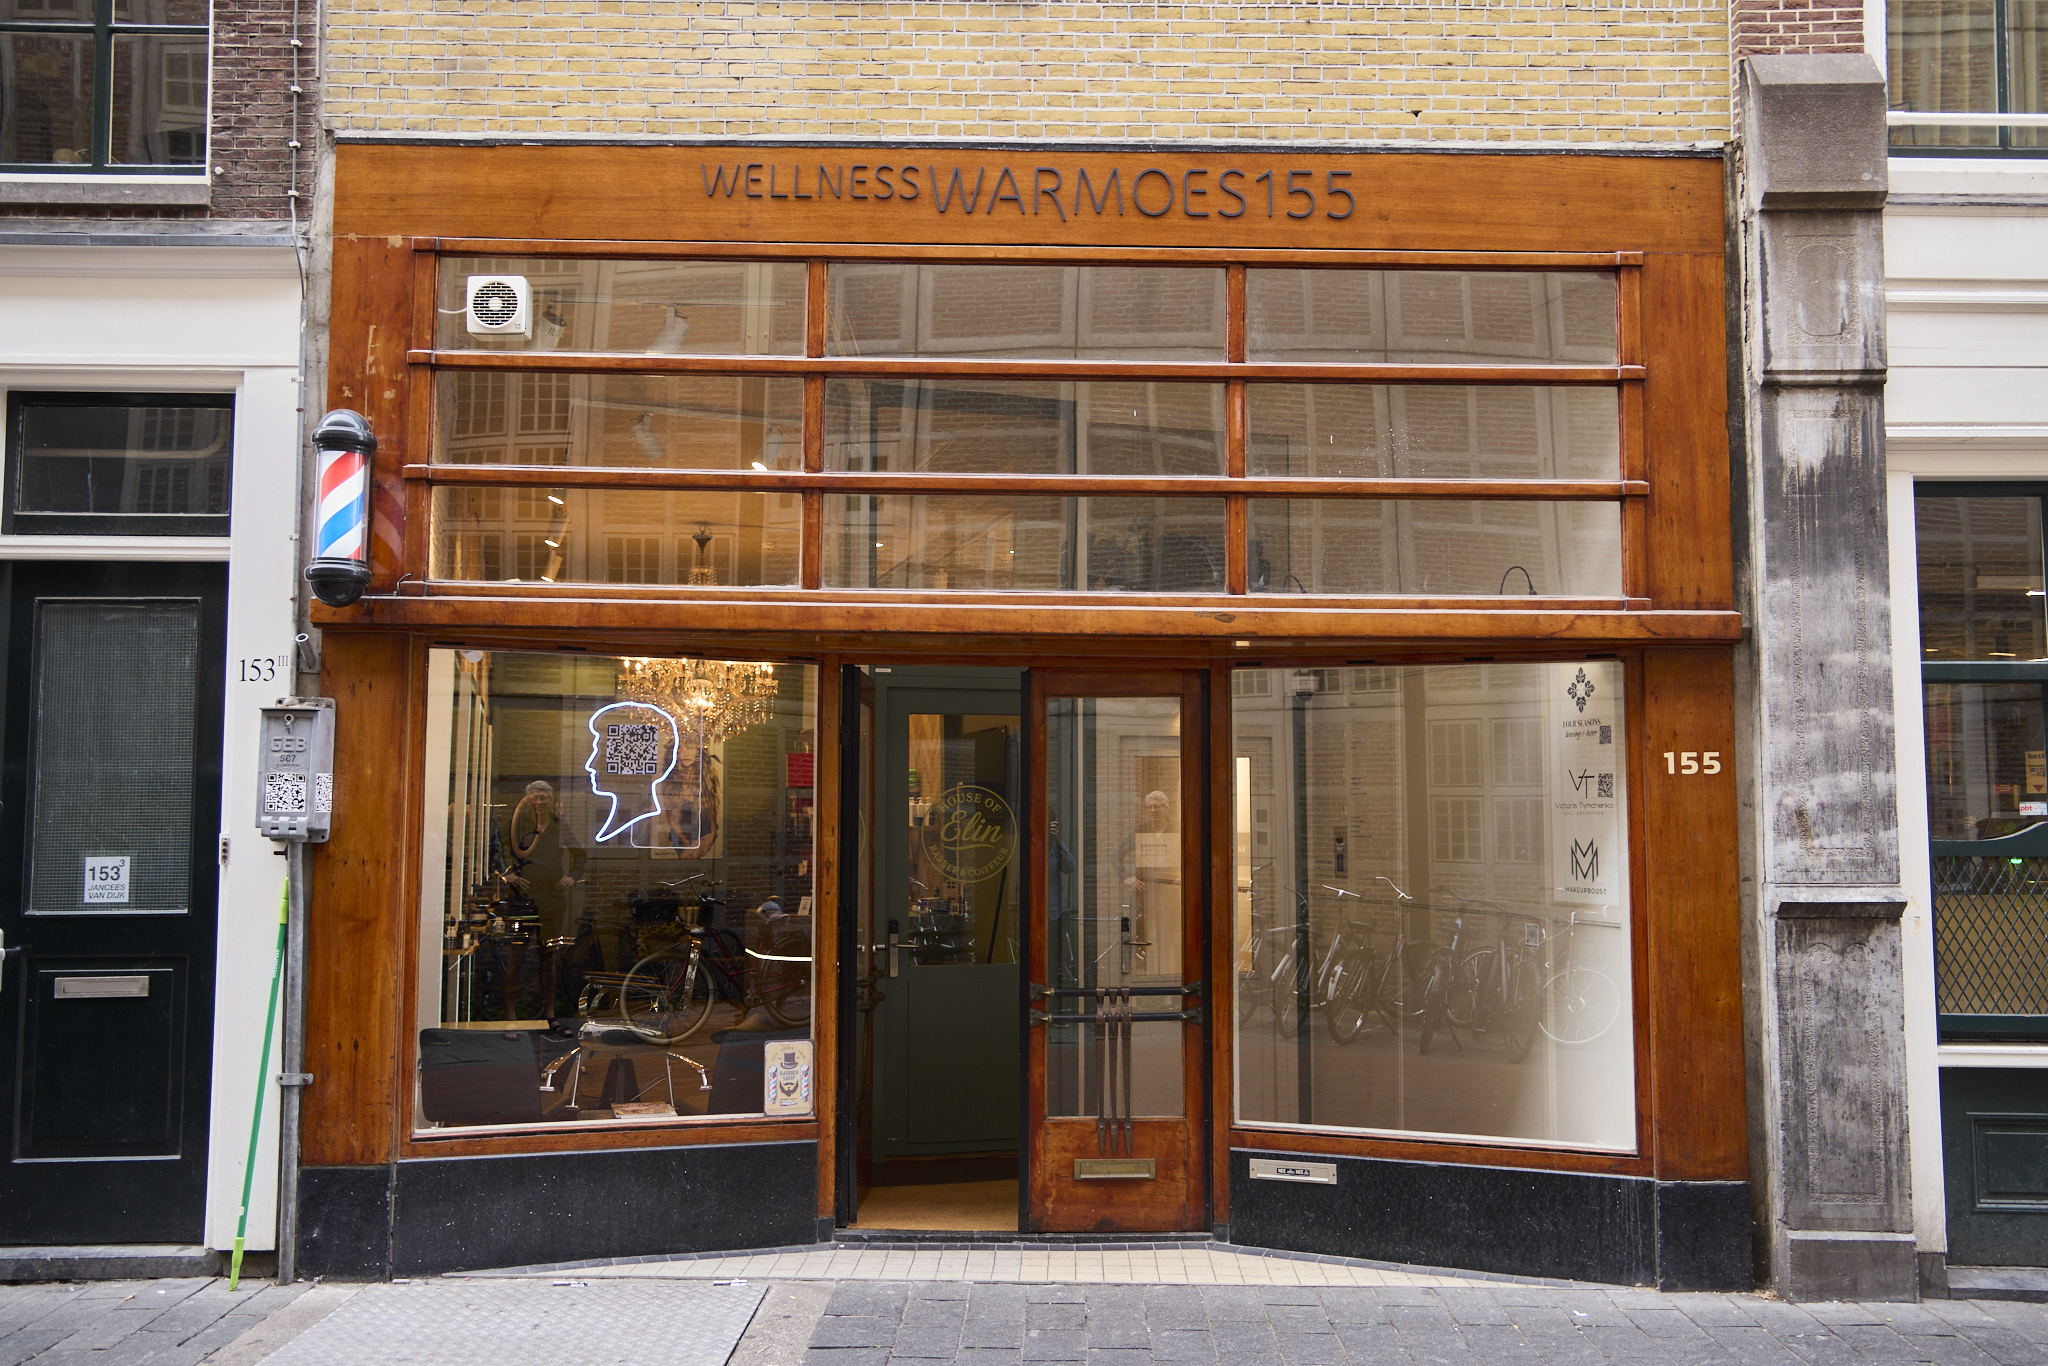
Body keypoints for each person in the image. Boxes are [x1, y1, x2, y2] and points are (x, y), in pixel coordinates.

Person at [505, 780, 586, 1019]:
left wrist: (572, 876)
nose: (539, 802)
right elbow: (493, 850)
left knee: (548, 958)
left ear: (551, 800)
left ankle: (549, 1014)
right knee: (516, 957)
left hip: (551, 901)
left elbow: (580, 855)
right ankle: (511, 1015)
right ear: (527, 800)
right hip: (522, 901)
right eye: (534, 797)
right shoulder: (518, 826)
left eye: (544, 798)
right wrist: (506, 874)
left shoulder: (560, 827)